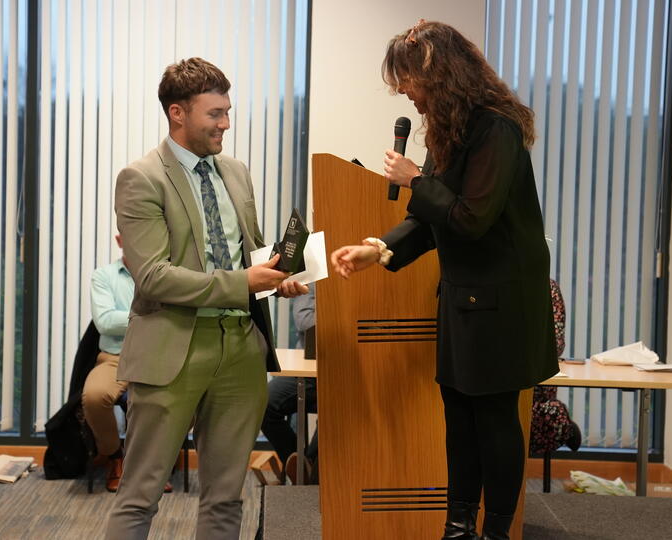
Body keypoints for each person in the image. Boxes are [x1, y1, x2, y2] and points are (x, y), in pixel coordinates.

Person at [330, 20, 558, 540]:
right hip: (463, 300)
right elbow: (431, 218)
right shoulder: (448, 129)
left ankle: (495, 531)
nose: (404, 93)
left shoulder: (496, 129)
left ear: (439, 75)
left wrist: (416, 179)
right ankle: (457, 528)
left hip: (502, 303)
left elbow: (471, 218)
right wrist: (377, 249)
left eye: (407, 81)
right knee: (460, 419)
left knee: (494, 422)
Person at [105, 57, 307, 540]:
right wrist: (243, 282)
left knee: (226, 497)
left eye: (228, 111)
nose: (226, 124)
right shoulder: (141, 178)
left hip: (240, 348)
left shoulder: (235, 172)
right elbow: (153, 276)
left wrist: (276, 276)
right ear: (177, 113)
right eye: (215, 113)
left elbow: (246, 253)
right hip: (172, 348)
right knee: (140, 496)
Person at [84, 234, 135, 493]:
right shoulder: (104, 276)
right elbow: (104, 321)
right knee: (94, 397)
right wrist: (150, 316)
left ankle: (147, 465)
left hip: (157, 357)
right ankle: (114, 455)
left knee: (166, 401)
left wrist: (126, 318)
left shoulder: (167, 275)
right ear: (119, 239)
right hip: (114, 357)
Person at [261, 283, 318, 484]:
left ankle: (310, 471)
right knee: (264, 403)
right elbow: (304, 320)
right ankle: (300, 464)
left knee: (336, 411)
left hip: (349, 373)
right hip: (311, 368)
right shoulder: (318, 272)